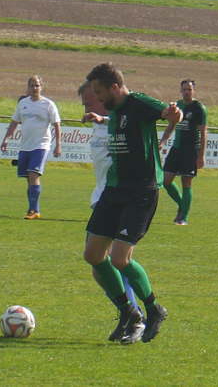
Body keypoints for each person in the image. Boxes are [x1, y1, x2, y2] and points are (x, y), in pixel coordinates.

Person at [83, 62, 183, 344]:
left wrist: (174, 113)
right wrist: (100, 119)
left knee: (119, 258)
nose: (99, 98)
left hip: (141, 191)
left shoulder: (138, 102)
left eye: (101, 92)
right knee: (92, 255)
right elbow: (122, 126)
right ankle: (128, 312)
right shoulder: (114, 110)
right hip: (115, 189)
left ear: (115, 87)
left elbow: (168, 112)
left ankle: (153, 310)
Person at [79, 80, 144, 340]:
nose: (86, 106)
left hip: (123, 200)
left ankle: (137, 316)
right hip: (102, 199)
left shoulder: (122, 124)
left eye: (90, 99)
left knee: (118, 260)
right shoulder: (99, 126)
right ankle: (128, 312)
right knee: (97, 265)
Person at [0, 75, 62, 220]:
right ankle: (34, 209)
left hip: (41, 145)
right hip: (25, 146)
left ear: (42, 87)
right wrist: (6, 139)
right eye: (32, 85)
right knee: (28, 178)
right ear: (28, 87)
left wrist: (58, 144)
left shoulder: (48, 104)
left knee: (34, 174)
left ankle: (33, 210)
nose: (34, 88)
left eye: (37, 85)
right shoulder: (23, 104)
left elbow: (56, 124)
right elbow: (14, 122)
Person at [159, 79, 208, 226]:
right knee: (165, 181)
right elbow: (170, 126)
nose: (187, 92)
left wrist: (201, 155)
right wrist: (162, 142)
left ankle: (183, 218)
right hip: (176, 148)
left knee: (186, 182)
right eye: (184, 89)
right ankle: (182, 206)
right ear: (180, 91)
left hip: (191, 150)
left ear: (194, 91)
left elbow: (203, 133)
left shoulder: (199, 108)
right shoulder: (177, 106)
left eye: (189, 89)